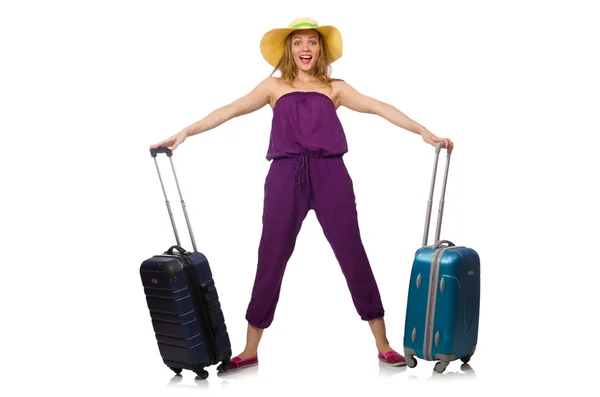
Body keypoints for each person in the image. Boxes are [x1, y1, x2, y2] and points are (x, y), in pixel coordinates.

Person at [150, 17, 454, 371]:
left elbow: (380, 107)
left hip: (331, 175)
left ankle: (382, 344)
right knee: (271, 257)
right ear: (288, 50)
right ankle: (249, 350)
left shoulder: (334, 88)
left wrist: (424, 132)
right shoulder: (272, 88)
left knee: (352, 253)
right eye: (298, 43)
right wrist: (186, 131)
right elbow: (228, 111)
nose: (305, 49)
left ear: (320, 49)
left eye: (312, 42)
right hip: (284, 176)